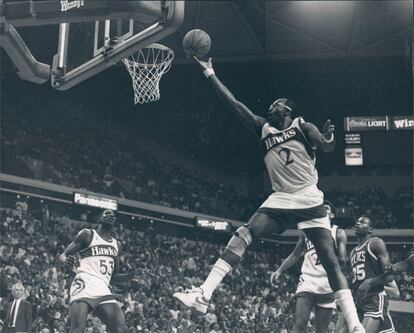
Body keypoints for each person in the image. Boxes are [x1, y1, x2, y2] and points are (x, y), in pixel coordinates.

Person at [173, 57, 365, 332]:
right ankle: (203, 294)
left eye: (276, 105)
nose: (271, 108)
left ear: (287, 110)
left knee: (330, 260)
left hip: (308, 196)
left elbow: (325, 147)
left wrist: (330, 138)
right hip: (282, 197)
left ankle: (355, 325)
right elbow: (233, 103)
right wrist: (209, 71)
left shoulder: (301, 125)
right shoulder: (262, 127)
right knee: (243, 233)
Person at [270, 202, 346, 333]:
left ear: (332, 215)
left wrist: (331, 253)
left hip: (327, 283)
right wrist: (279, 270)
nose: (323, 209)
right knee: (299, 324)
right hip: (308, 280)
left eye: (327, 208)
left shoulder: (338, 232)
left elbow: (343, 261)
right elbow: (295, 255)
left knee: (321, 330)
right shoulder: (307, 231)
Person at [58, 210, 134, 333]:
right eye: (107, 214)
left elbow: (113, 277)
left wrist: (132, 276)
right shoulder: (88, 234)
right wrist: (67, 264)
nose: (111, 216)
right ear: (99, 219)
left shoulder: (117, 245)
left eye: (113, 216)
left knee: (121, 329)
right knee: (78, 329)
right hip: (85, 282)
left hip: (103, 287)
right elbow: (63, 256)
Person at [335, 216, 395, 333]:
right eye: (357, 222)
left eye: (362, 222)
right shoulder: (353, 252)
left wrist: (370, 282)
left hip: (374, 298)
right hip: (358, 299)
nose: (358, 224)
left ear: (370, 230)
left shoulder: (376, 243)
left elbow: (389, 276)